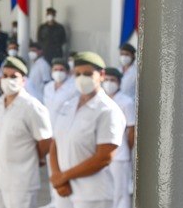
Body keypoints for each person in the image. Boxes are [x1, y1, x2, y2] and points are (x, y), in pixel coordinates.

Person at [49, 52, 126, 208]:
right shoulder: (68, 106)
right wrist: (58, 177)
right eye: (77, 74)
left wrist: (64, 176)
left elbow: (104, 157)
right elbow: (55, 143)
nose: (82, 78)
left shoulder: (107, 110)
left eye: (88, 74)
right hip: (65, 191)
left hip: (93, 195)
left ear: (101, 75)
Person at [0, 56, 52, 208]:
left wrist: (33, 157)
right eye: (5, 76)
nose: (8, 80)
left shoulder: (32, 107)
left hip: (22, 182)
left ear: (23, 81)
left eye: (13, 77)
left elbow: (45, 141)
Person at [42, 58, 78, 207]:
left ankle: (65, 201)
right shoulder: (48, 87)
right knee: (52, 167)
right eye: (55, 70)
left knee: (63, 165)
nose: (58, 73)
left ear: (68, 72)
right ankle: (54, 199)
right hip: (49, 133)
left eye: (61, 70)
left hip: (63, 133)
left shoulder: (73, 88)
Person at [102, 68, 135, 208]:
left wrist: (126, 148)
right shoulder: (99, 99)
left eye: (113, 80)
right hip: (101, 154)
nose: (109, 83)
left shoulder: (126, 102)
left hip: (120, 154)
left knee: (120, 192)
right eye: (107, 80)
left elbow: (132, 128)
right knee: (105, 190)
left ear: (119, 82)